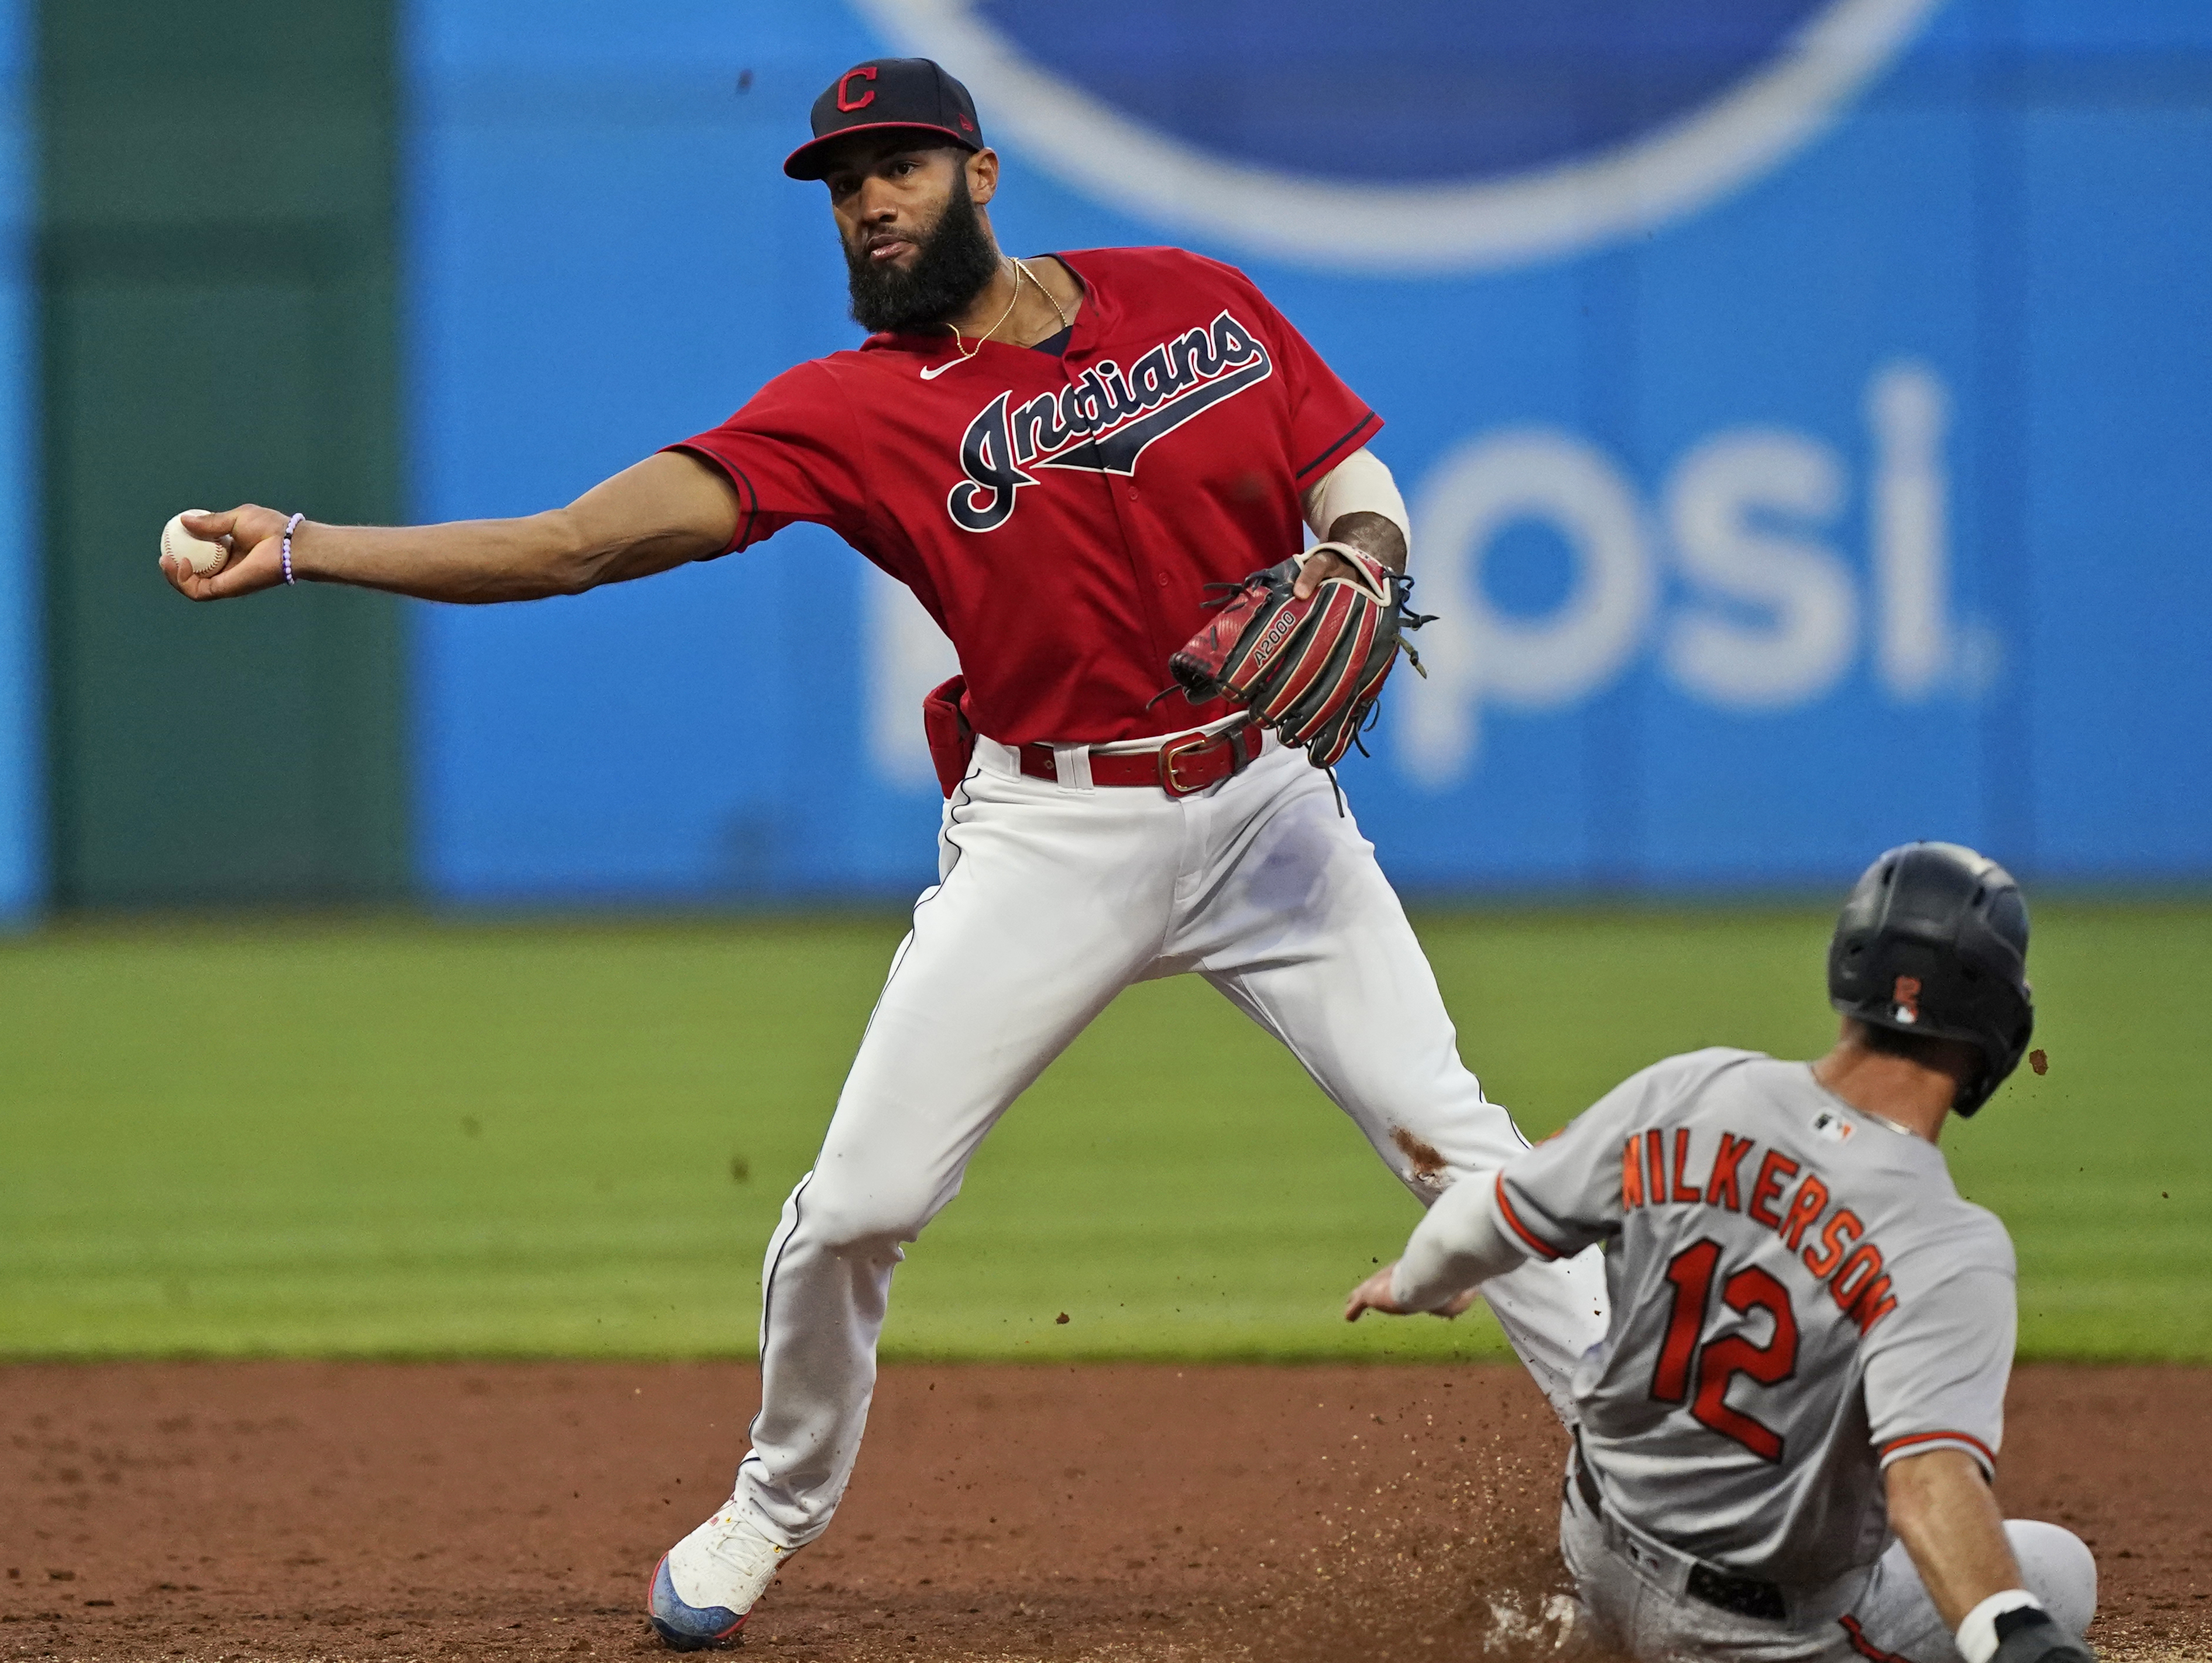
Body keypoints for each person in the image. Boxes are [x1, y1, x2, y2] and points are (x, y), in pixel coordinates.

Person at [160, 55, 1606, 1652]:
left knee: (1455, 1141)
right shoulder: (851, 412)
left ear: (980, 175)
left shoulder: (1192, 301)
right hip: (1056, 830)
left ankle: (1658, 1484)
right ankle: (773, 1504)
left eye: (899, 166)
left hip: (1267, 807)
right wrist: (301, 547)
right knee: (857, 1204)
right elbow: (573, 547)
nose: (868, 200)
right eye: (844, 182)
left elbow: (1357, 481)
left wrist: (1362, 553)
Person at [1344, 843, 2099, 1663]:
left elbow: (1477, 1220)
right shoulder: (1949, 1245)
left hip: (1596, 1541)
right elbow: (1926, 1487)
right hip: (1753, 1633)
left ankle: (1585, 1629)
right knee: (2063, 1571)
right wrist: (2015, 1631)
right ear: (1999, 1022)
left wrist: (1420, 1282)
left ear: (1848, 966)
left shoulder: (1695, 1089)